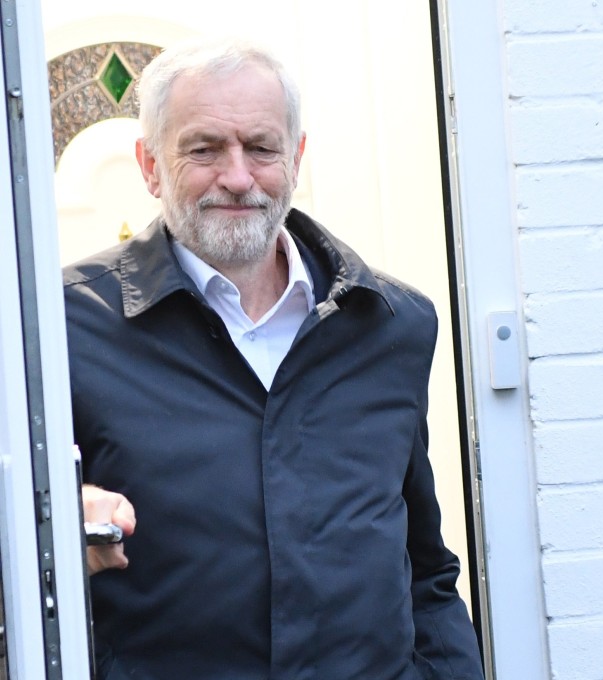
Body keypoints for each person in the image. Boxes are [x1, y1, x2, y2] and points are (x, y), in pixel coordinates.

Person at [65, 38, 484, 679]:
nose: (238, 177)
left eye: (261, 148)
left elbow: (424, 563)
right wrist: (59, 519)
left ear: (296, 158)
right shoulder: (61, 328)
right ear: (150, 166)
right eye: (203, 149)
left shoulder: (390, 324)